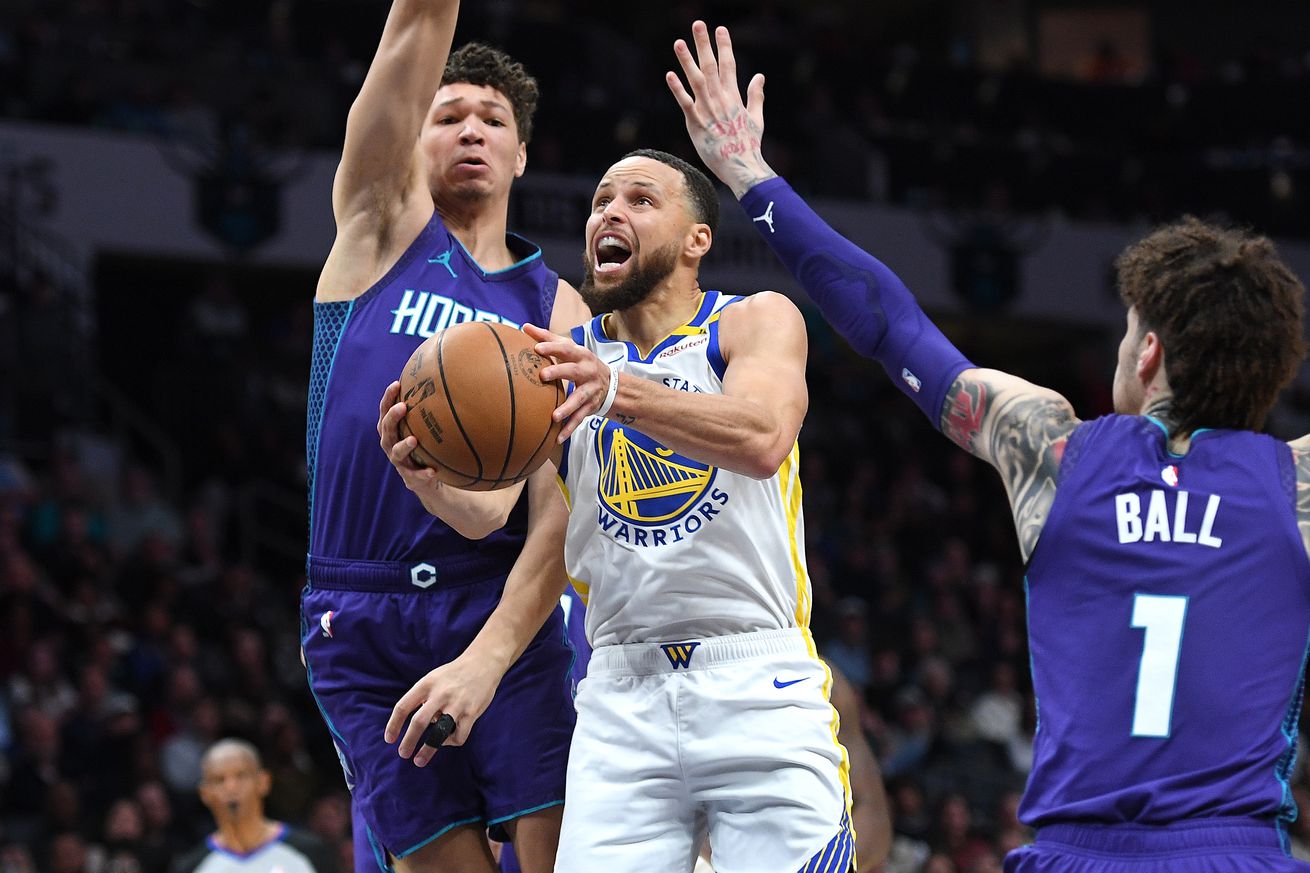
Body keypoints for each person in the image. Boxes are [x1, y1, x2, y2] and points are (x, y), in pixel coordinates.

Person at [669, 20, 1310, 873]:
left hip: (1078, 852)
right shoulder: (1295, 485)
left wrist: (748, 174)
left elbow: (890, 322)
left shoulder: (1049, 445)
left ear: (1148, 350)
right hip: (1238, 855)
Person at [388, 134, 854, 872]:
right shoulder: (555, 361)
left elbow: (762, 435)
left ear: (697, 239)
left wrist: (616, 391)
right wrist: (429, 476)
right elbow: (518, 522)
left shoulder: (753, 320)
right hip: (618, 695)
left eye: (640, 199)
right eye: (601, 199)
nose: (611, 210)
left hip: (754, 678)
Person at [303, 2, 590, 872]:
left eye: (492, 119)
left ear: (522, 153)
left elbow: (514, 514)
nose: (470, 130)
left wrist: (432, 484)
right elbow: (412, 27)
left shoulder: (556, 309)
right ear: (413, 136)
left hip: (491, 598)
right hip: (357, 605)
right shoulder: (379, 225)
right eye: (448, 114)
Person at [171, 739, 338, 873]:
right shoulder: (191, 867)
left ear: (263, 782)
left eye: (241, 775)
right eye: (219, 780)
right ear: (205, 793)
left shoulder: (311, 852)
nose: (231, 788)